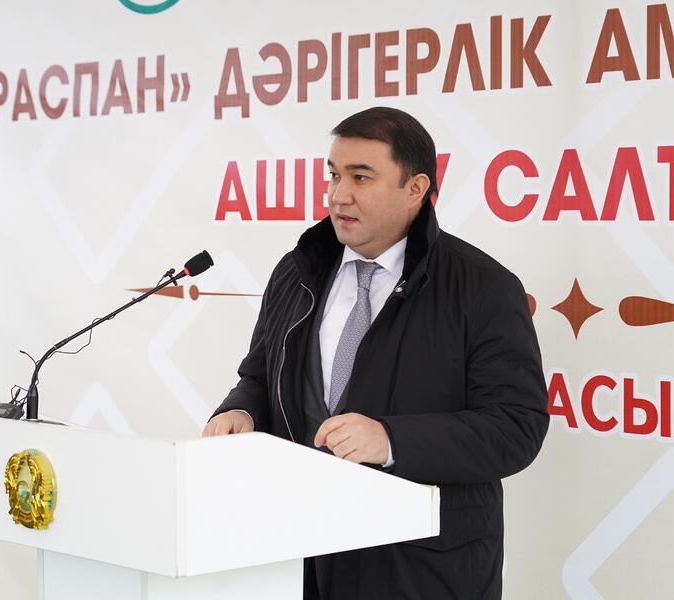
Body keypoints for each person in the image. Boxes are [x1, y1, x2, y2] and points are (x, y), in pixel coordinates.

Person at [203, 106, 549, 600]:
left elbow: (516, 427)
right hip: (296, 557)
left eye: (361, 177)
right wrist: (241, 410)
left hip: (422, 570)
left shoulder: (483, 287)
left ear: (416, 188)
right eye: (334, 175)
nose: (338, 195)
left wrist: (390, 440)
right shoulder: (297, 271)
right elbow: (259, 376)